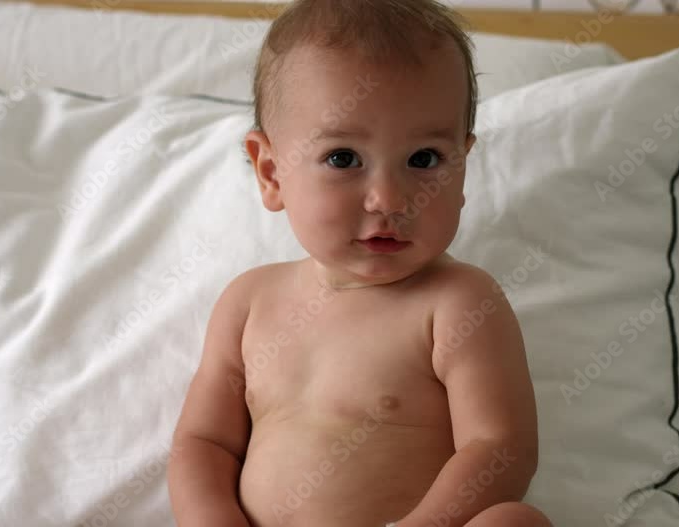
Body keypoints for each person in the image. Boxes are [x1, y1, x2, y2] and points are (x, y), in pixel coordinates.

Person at [168, 1, 551, 525]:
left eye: (424, 160)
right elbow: (204, 441)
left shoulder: (459, 303)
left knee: (514, 522)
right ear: (272, 173)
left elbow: (499, 447)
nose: (389, 199)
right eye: (343, 158)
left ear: (463, 166)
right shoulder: (249, 302)